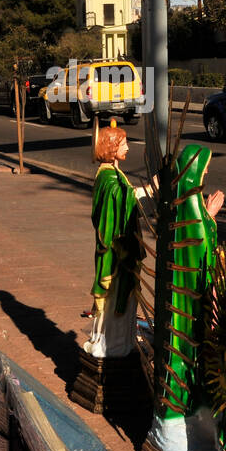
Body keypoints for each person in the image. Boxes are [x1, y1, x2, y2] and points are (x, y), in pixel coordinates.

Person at [83, 126, 147, 358]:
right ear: (111, 148)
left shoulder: (113, 172)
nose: (128, 147)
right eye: (123, 143)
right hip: (116, 255)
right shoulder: (108, 177)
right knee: (113, 304)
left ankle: (121, 344)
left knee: (123, 304)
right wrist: (146, 190)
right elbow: (118, 199)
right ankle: (112, 348)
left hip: (122, 254)